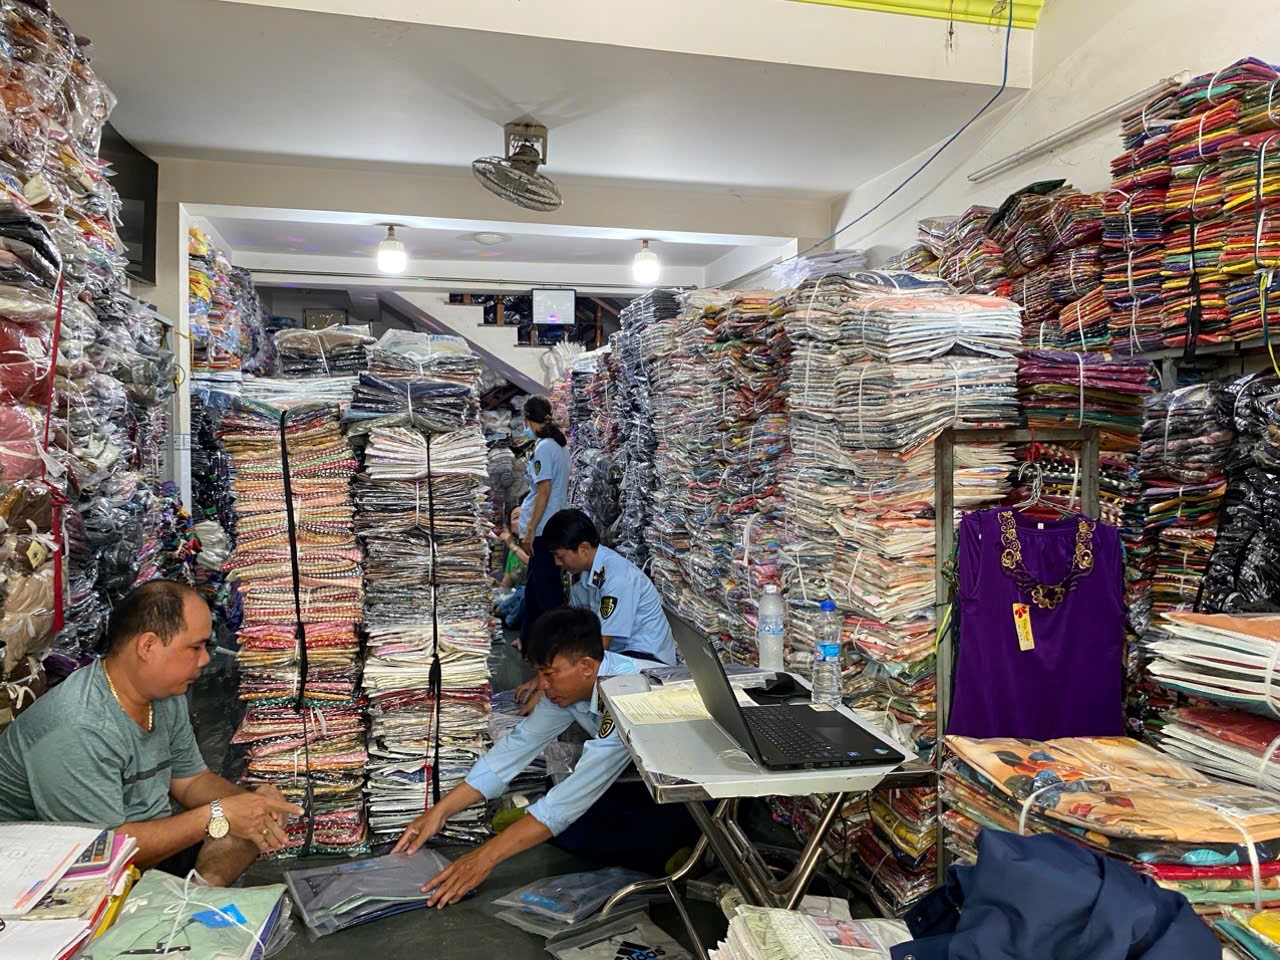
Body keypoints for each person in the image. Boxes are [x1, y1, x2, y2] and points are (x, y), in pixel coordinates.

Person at [0, 580, 302, 885]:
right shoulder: (77, 725)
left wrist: (252, 806)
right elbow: (103, 854)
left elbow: (191, 781)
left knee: (250, 827)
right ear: (147, 646)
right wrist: (216, 814)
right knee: (228, 820)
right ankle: (187, 902)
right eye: (195, 647)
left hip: (146, 843)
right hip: (62, 874)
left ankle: (198, 894)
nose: (206, 659)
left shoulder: (164, 694)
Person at [394, 607, 697, 907]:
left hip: (687, 791)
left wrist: (483, 859)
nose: (542, 685)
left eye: (549, 674)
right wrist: (439, 812)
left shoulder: (628, 694)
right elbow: (514, 749)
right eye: (539, 673)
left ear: (586, 666)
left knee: (576, 825)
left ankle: (687, 848)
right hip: (640, 773)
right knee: (557, 819)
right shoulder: (565, 692)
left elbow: (575, 795)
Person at [516, 395, 570, 645]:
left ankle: (554, 642)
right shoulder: (558, 445)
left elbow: (544, 490)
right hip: (551, 523)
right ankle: (529, 639)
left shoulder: (545, 448)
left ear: (528, 419)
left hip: (543, 528)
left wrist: (530, 529)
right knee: (535, 586)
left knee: (545, 588)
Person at [495, 505, 529, 629]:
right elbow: (506, 585)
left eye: (525, 515)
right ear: (510, 527)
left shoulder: (537, 545)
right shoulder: (512, 553)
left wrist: (512, 545)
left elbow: (534, 565)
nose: (522, 520)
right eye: (516, 517)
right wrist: (495, 584)